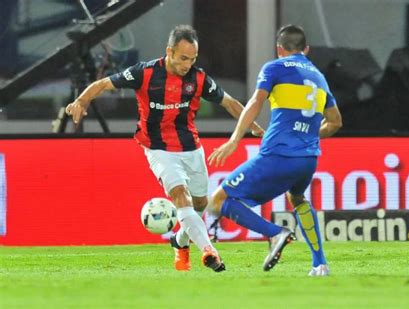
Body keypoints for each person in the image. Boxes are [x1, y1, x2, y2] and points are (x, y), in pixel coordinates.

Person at [65, 25, 264, 272]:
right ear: (169, 51)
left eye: (192, 59)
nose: (187, 65)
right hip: (158, 148)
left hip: (191, 147)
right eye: (183, 58)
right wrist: (81, 101)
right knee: (181, 196)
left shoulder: (198, 78)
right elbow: (104, 83)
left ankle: (179, 241)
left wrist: (252, 126)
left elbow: (229, 103)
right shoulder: (145, 73)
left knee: (200, 205)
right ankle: (209, 251)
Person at [207, 25, 342, 276]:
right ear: (307, 49)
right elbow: (335, 122)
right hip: (308, 159)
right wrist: (307, 136)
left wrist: (235, 139)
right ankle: (320, 264)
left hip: (280, 154)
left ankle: (275, 233)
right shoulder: (319, 77)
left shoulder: (275, 67)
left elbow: (256, 101)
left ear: (279, 49)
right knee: (298, 199)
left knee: (218, 201)